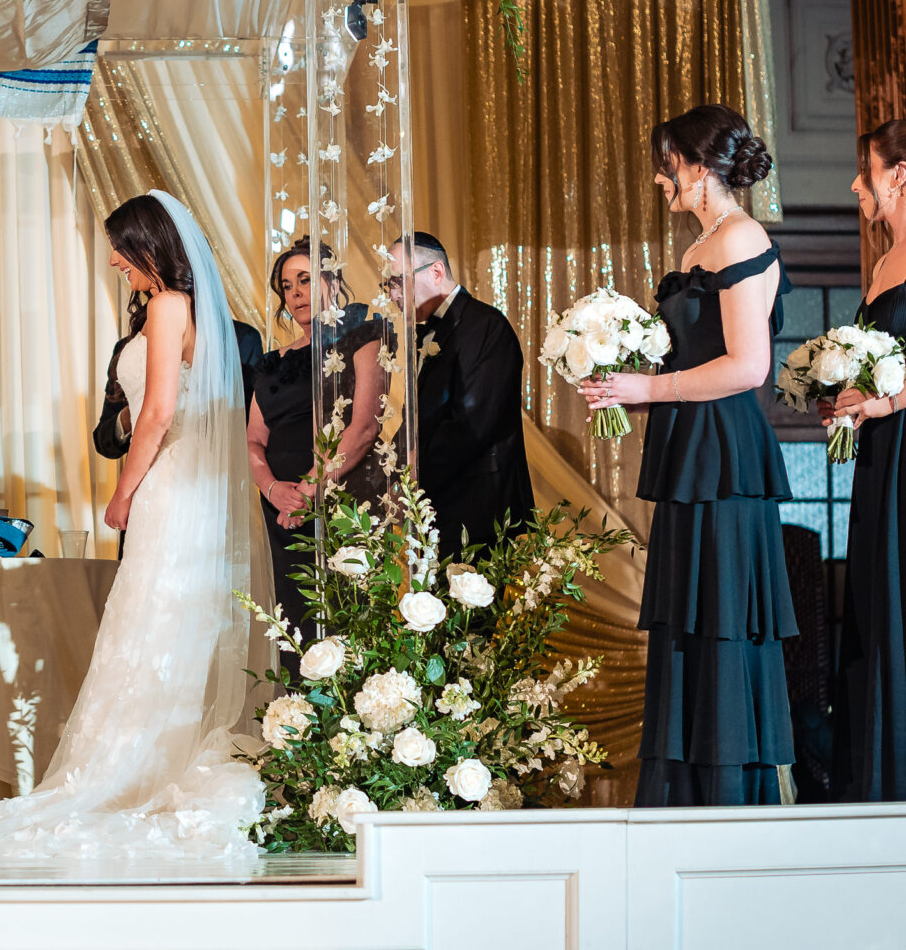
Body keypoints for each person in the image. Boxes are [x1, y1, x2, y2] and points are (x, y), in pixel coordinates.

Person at [0, 193, 264, 859]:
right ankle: (160, 759)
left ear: (151, 244)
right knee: (168, 625)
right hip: (195, 491)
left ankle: (132, 770)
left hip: (169, 484)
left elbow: (156, 415)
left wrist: (123, 491)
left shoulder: (166, 306)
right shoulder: (198, 311)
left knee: (149, 622)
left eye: (122, 248)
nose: (116, 260)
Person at [582, 103, 795, 807]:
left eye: (668, 164)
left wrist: (653, 382)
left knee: (723, 621)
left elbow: (748, 366)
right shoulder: (696, 249)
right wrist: (626, 389)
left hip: (725, 457)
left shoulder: (739, 238)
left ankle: (728, 801)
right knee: (687, 625)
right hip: (687, 450)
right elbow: (693, 360)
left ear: (701, 167)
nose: (658, 178)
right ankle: (684, 799)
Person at [246, 236, 385, 641]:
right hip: (280, 513)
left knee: (344, 624)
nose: (295, 293)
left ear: (333, 280)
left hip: (339, 499)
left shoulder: (363, 336)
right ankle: (291, 708)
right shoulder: (274, 362)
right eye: (287, 286)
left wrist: (308, 490)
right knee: (293, 627)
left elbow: (363, 428)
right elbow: (253, 439)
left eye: (305, 280)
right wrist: (272, 490)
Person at [826, 119, 906, 801]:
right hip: (881, 454)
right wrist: (844, 397)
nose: (857, 183)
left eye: (867, 169)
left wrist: (884, 404)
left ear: (898, 175)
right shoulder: (884, 263)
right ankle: (877, 777)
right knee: (876, 597)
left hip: (902, 439)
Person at [387, 231, 534, 555]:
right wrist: (389, 469)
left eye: (399, 281)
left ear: (436, 272)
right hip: (439, 503)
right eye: (389, 285)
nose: (394, 294)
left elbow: (473, 424)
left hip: (478, 506)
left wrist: (411, 483)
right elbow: (420, 416)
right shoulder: (429, 331)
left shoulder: (486, 326)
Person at [94, 319, 263, 459]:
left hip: (212, 476)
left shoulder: (240, 338)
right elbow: (103, 441)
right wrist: (134, 412)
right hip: (149, 484)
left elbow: (251, 426)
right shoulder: (130, 349)